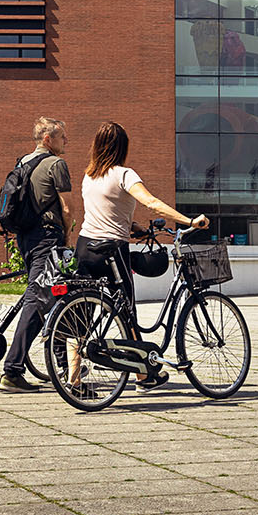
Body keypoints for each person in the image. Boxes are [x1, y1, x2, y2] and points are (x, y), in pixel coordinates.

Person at [76, 120, 207, 389]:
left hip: (85, 246)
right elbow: (152, 203)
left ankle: (73, 378)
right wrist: (189, 221)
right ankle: (143, 374)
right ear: (122, 147)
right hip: (113, 250)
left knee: (82, 313)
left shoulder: (89, 176)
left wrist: (132, 226)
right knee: (127, 310)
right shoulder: (125, 174)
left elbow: (103, 211)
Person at [0, 117, 72, 392]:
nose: (67, 142)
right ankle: (12, 370)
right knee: (38, 298)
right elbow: (67, 209)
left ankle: (64, 365)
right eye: (62, 137)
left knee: (56, 297)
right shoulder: (56, 164)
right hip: (47, 237)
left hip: (26, 239)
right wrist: (67, 236)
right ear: (47, 139)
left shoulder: (22, 162)